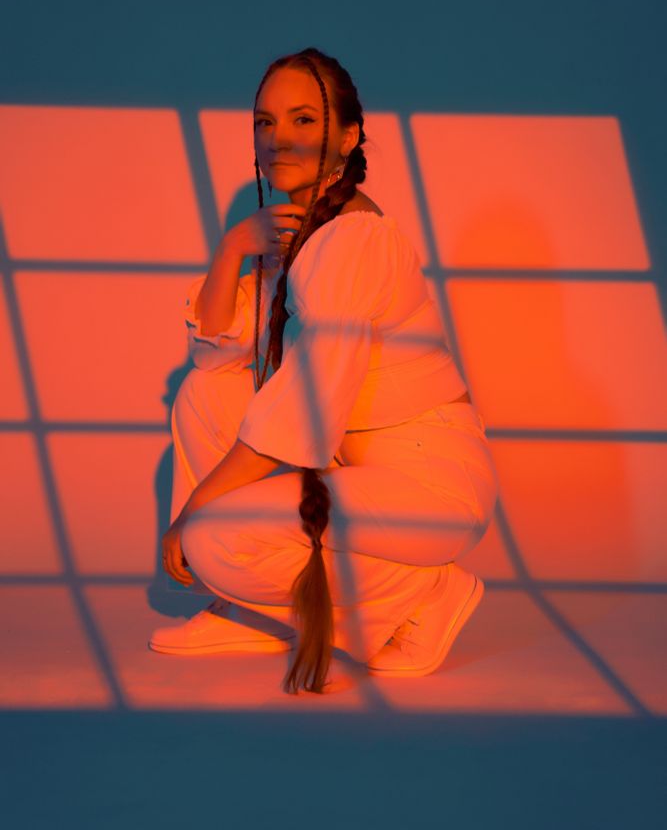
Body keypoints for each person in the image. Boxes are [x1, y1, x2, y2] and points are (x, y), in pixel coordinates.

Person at [149, 47, 499, 695]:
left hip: (426, 484)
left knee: (212, 538)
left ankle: (429, 593)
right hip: (359, 471)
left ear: (348, 135)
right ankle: (250, 611)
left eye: (304, 120)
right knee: (203, 395)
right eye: (264, 122)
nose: (278, 138)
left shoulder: (353, 241)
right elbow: (219, 355)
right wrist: (233, 248)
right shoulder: (303, 235)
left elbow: (305, 406)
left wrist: (194, 509)